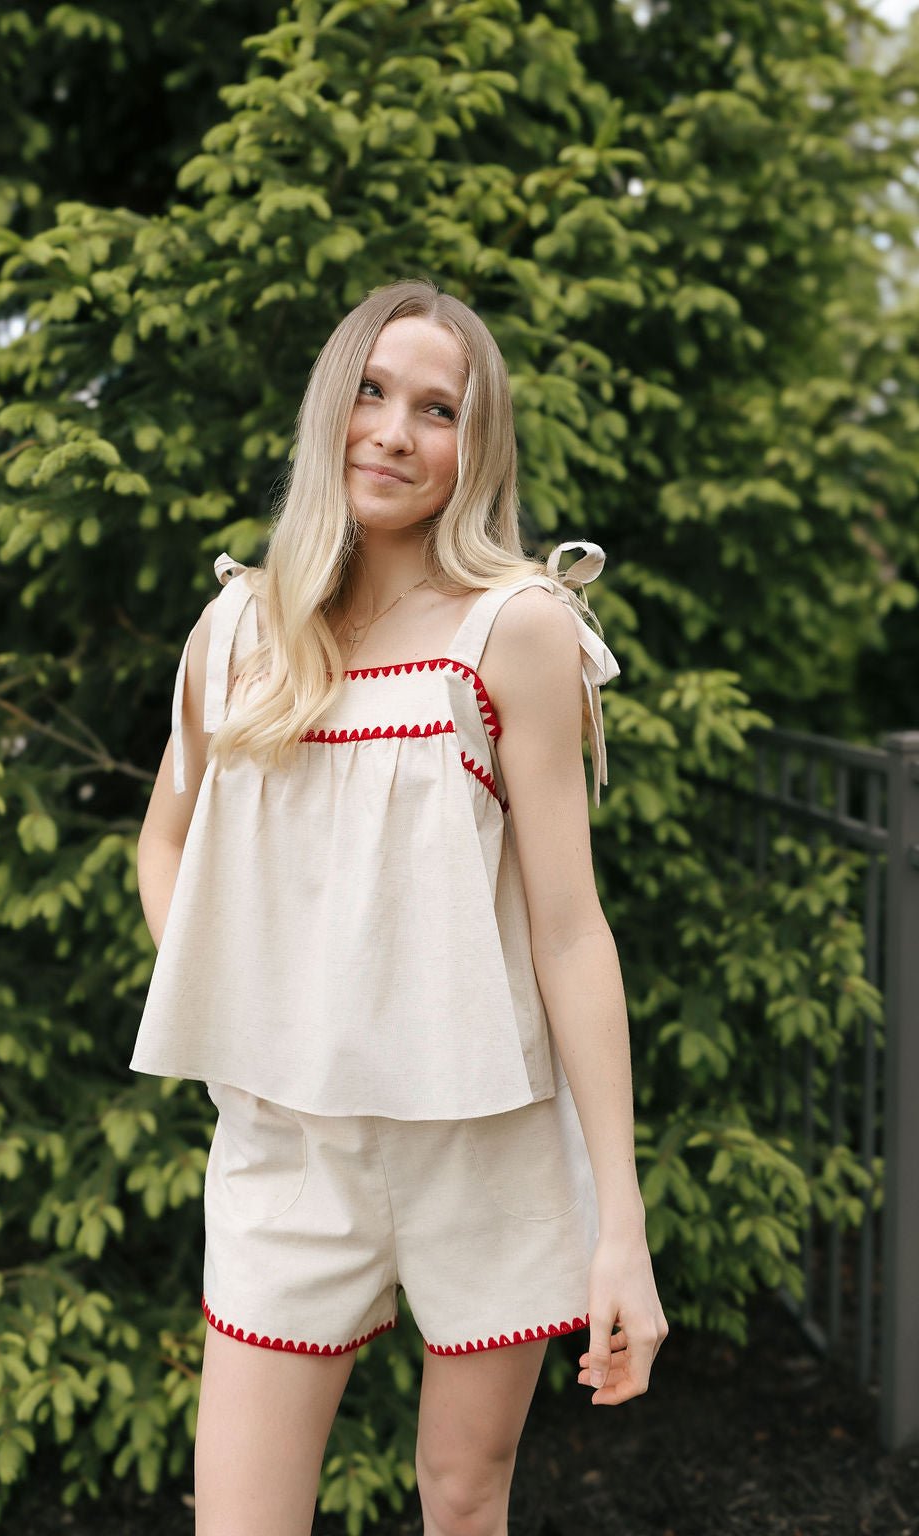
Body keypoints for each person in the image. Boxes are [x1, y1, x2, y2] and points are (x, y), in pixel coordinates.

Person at [131, 276, 668, 1536]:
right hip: (288, 1145)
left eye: (438, 409)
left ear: (477, 446)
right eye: (371, 393)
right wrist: (244, 1022)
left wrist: (620, 1226)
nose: (393, 432)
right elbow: (166, 842)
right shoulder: (237, 630)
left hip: (488, 1144)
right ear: (331, 407)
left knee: (464, 1497)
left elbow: (569, 930)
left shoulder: (515, 628)